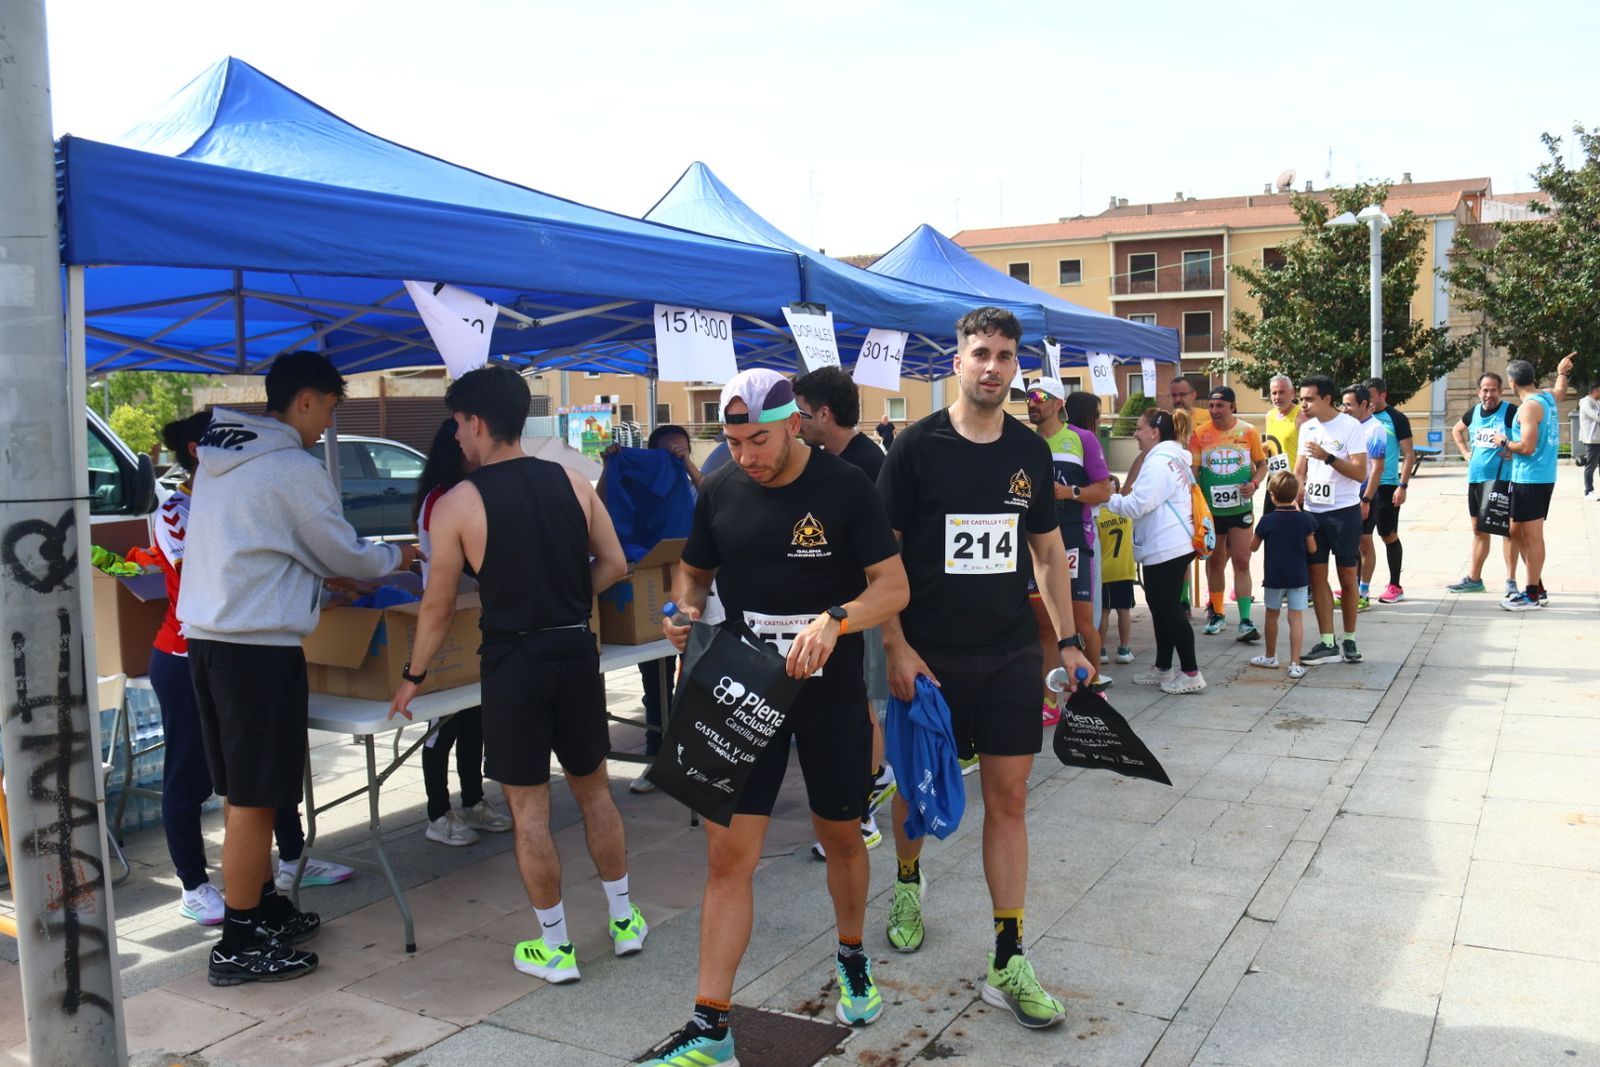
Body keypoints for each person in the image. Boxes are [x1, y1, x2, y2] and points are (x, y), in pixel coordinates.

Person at [650, 369, 910, 1066]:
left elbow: (893, 586)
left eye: (758, 440)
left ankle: (851, 955)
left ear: (794, 423)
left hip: (829, 692)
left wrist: (837, 619)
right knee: (727, 856)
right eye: (733, 442)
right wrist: (684, 611)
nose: (746, 456)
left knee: (842, 836)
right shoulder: (721, 488)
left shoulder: (845, 486)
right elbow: (693, 573)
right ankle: (711, 1025)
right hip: (747, 688)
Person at [390, 364, 644, 984]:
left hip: (513, 660)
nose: (456, 437)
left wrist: (412, 675)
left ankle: (556, 948)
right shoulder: (574, 482)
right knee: (595, 792)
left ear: (477, 422)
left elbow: (437, 606)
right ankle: (624, 920)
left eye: (457, 424)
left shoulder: (457, 504)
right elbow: (615, 563)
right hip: (573, 648)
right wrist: (566, 599)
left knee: (529, 809)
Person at [876, 307, 1092, 1032]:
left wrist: (1067, 640)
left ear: (1015, 366)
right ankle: (908, 881)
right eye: (981, 353)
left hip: (1007, 654)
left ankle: (1008, 957)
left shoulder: (1030, 450)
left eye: (1004, 355)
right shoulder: (915, 448)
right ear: (958, 361)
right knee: (915, 785)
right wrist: (895, 646)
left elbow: (1046, 551)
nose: (993, 367)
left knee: (1011, 797)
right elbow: (881, 557)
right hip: (928, 656)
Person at [180, 352, 422, 986]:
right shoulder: (289, 467)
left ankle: (260, 907)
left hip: (212, 641)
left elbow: (269, 547)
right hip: (255, 650)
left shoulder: (222, 457)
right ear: (307, 399)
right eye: (331, 409)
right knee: (254, 797)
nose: (328, 425)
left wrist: (317, 582)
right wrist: (399, 556)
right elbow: (343, 552)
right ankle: (237, 941)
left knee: (246, 791)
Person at [147, 412, 350, 926]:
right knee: (195, 776)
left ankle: (290, 861)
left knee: (265, 771)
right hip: (187, 655)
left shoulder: (233, 495)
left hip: (240, 653)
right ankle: (194, 885)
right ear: (198, 451)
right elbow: (221, 579)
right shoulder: (176, 510)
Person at [792, 367, 896, 857]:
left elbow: (885, 551)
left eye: (801, 413)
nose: (795, 423)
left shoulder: (863, 466)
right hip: (843, 610)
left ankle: (863, 811)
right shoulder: (833, 461)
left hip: (863, 609)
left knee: (863, 705)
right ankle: (872, 786)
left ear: (824, 414)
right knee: (861, 704)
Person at [412, 418, 514, 846]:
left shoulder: (469, 493)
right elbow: (462, 563)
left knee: (475, 716)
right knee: (443, 724)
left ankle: (473, 801)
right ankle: (438, 813)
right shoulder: (442, 500)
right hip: (447, 622)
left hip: (475, 617)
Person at [604, 423, 702, 794]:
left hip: (702, 595)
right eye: (667, 451)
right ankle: (655, 757)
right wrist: (610, 467)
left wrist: (685, 464)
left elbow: (712, 497)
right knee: (655, 682)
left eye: (682, 448)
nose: (675, 456)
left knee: (700, 680)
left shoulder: (697, 484)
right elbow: (604, 507)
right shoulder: (640, 484)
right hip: (656, 595)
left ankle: (695, 757)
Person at [1025, 378, 1111, 723]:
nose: (1031, 402)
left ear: (1058, 402)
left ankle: (1092, 690)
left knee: (1079, 623)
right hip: (1036, 544)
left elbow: (1104, 490)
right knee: (1045, 626)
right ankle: (1049, 701)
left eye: (1039, 397)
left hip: (1074, 537)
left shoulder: (1082, 438)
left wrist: (1069, 492)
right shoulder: (1025, 442)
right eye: (1028, 397)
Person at [1104, 409, 1205, 693]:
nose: (1135, 434)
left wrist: (1106, 499)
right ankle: (1163, 668)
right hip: (1168, 544)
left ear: (1154, 432)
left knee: (1169, 609)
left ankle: (1191, 673)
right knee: (1161, 608)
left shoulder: (1160, 462)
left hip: (1167, 546)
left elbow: (1138, 505)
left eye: (1139, 428)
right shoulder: (1171, 457)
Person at [1293, 374, 1368, 665]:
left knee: (1348, 576)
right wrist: (1296, 494)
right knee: (1316, 576)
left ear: (1327, 399)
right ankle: (1327, 642)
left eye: (1309, 399)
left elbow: (1360, 473)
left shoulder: (1350, 426)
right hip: (1314, 512)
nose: (1304, 404)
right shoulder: (1307, 427)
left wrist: (1328, 457)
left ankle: (1350, 638)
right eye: (1301, 399)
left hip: (1344, 512)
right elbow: (1300, 470)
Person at [1495, 354, 1574, 609]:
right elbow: (1561, 391)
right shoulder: (1547, 397)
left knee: (1533, 537)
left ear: (1512, 382)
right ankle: (1536, 586)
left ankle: (1531, 595)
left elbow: (1527, 447)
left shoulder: (1528, 407)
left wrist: (1504, 442)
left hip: (1531, 477)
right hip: (1537, 476)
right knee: (1514, 530)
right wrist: (1561, 371)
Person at [1191, 386, 1266, 641]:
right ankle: (1217, 613)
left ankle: (1245, 620)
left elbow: (1262, 465)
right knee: (1215, 562)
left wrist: (1254, 484)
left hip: (1240, 508)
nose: (1214, 411)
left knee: (1242, 560)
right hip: (1211, 511)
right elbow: (1194, 473)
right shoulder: (1200, 434)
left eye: (1220, 406)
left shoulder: (1248, 431)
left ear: (1232, 407)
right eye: (1211, 406)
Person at [1447, 372, 1522, 594]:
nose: (1489, 395)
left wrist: (1513, 449)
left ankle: (1511, 581)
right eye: (1485, 390)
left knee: (1507, 531)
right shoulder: (1473, 412)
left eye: (1493, 390)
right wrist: (1465, 452)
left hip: (1501, 481)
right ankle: (1474, 579)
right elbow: (1456, 430)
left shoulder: (1511, 411)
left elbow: (1527, 438)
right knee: (1479, 530)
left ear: (1501, 391)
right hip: (1476, 479)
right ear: (1478, 392)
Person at [1247, 472, 1318, 679]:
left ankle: (1270, 656)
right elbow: (1312, 548)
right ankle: (1295, 663)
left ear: (1272, 495)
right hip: (1298, 576)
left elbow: (1252, 547)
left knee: (1272, 615)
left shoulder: (1267, 520)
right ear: (1295, 494)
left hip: (1274, 576)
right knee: (1296, 618)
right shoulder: (1305, 519)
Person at [1344, 384, 1389, 614]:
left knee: (1364, 543)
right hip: (1345, 494)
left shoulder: (1375, 429)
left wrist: (1367, 499)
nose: (1345, 409)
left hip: (1365, 494)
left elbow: (1377, 469)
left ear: (1364, 404)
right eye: (1343, 404)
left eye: (1350, 405)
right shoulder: (1346, 426)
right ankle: (1350, 589)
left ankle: (1363, 592)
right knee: (1348, 544)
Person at [1096, 475, 1136, 666]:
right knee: (1124, 610)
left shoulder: (1097, 515)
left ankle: (1100, 650)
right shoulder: (1127, 513)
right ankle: (1124, 649)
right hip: (1124, 568)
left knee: (1104, 611)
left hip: (1104, 570)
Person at [1262, 373, 1305, 514]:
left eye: (1282, 392)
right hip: (1274, 481)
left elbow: (1311, 452)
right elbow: (1272, 444)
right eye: (1274, 393)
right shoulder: (1270, 415)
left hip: (1293, 483)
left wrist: (1303, 483)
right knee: (1270, 524)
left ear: (1292, 393)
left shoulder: (1302, 416)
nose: (1277, 397)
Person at [1579, 378, 1600, 497]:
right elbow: (1598, 417)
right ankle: (1589, 491)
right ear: (1596, 390)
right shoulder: (1587, 403)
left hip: (1598, 439)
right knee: (1590, 467)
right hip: (1592, 440)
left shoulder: (1596, 403)